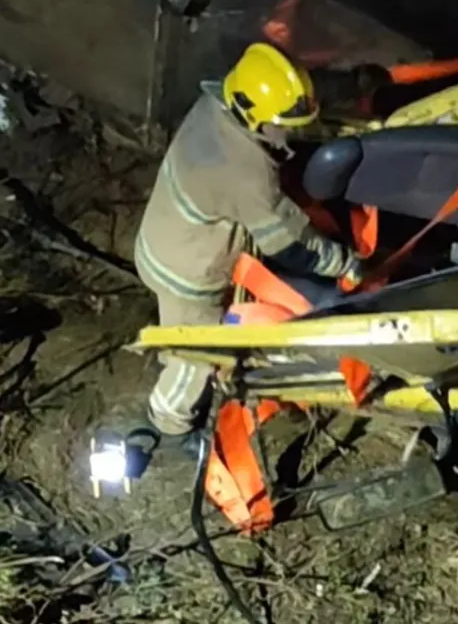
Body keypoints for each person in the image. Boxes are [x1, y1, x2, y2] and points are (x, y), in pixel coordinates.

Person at [135, 42, 363, 446]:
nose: (290, 131)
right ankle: (170, 423)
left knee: (189, 338)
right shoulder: (244, 173)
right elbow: (292, 245)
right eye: (283, 124)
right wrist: (344, 264)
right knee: (196, 354)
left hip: (163, 235)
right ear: (254, 117)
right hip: (185, 271)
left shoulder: (217, 105)